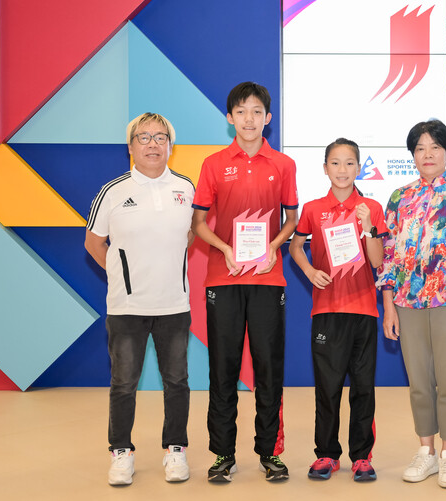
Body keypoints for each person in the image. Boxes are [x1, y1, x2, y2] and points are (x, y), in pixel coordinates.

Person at [191, 82, 298, 483]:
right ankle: (222, 453)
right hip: (224, 276)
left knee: (269, 367)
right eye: (241, 111)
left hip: (269, 279)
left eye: (256, 111)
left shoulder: (283, 165)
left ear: (267, 118)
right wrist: (226, 249)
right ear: (229, 118)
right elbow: (199, 223)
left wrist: (273, 246)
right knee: (223, 367)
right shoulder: (214, 164)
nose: (249, 118)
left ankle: (270, 452)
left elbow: (291, 219)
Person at [377, 118, 446, 489]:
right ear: (413, 155)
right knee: (419, 384)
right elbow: (389, 256)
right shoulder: (398, 198)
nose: (428, 154)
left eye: (435, 147)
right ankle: (425, 452)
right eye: (421, 148)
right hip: (407, 304)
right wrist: (389, 306)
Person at [85, 113, 195, 486]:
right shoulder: (112, 191)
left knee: (177, 381)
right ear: (131, 145)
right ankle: (121, 452)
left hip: (174, 305)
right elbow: (94, 242)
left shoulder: (186, 188)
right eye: (143, 137)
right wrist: (120, 276)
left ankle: (175, 450)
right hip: (126, 308)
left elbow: (192, 236)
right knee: (123, 383)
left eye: (160, 137)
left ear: (170, 145)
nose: (152, 143)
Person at [289, 138, 386, 482]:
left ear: (359, 168)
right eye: (335, 163)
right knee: (327, 387)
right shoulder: (314, 209)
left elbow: (378, 262)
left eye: (349, 163)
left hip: (364, 311)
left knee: (363, 387)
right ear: (325, 168)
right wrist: (309, 271)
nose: (342, 170)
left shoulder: (371, 207)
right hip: (327, 310)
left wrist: (367, 228)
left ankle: (361, 456)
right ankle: (327, 454)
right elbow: (296, 247)